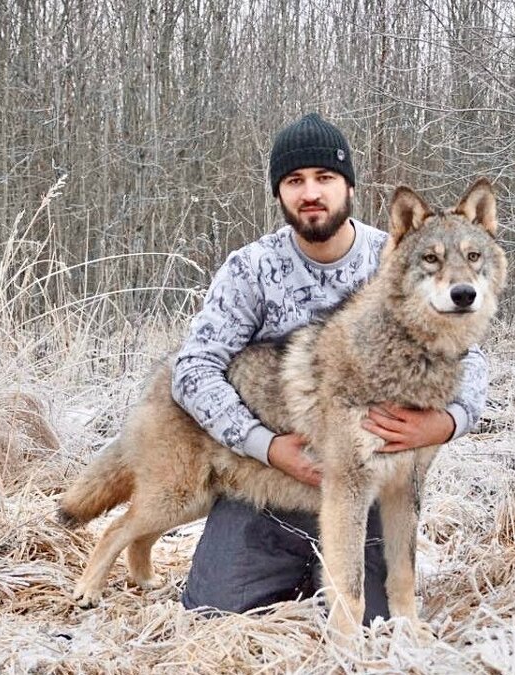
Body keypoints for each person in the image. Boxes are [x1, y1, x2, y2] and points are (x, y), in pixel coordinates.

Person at [171, 112, 488, 624]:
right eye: (295, 181)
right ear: (280, 194)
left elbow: (467, 355)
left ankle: (326, 585)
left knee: (379, 622)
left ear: (349, 187)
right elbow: (192, 371)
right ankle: (289, 570)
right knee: (213, 611)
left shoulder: (399, 257)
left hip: (366, 482)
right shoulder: (250, 268)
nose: (310, 192)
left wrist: (445, 422)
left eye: (325, 178)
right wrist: (266, 446)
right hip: (270, 480)